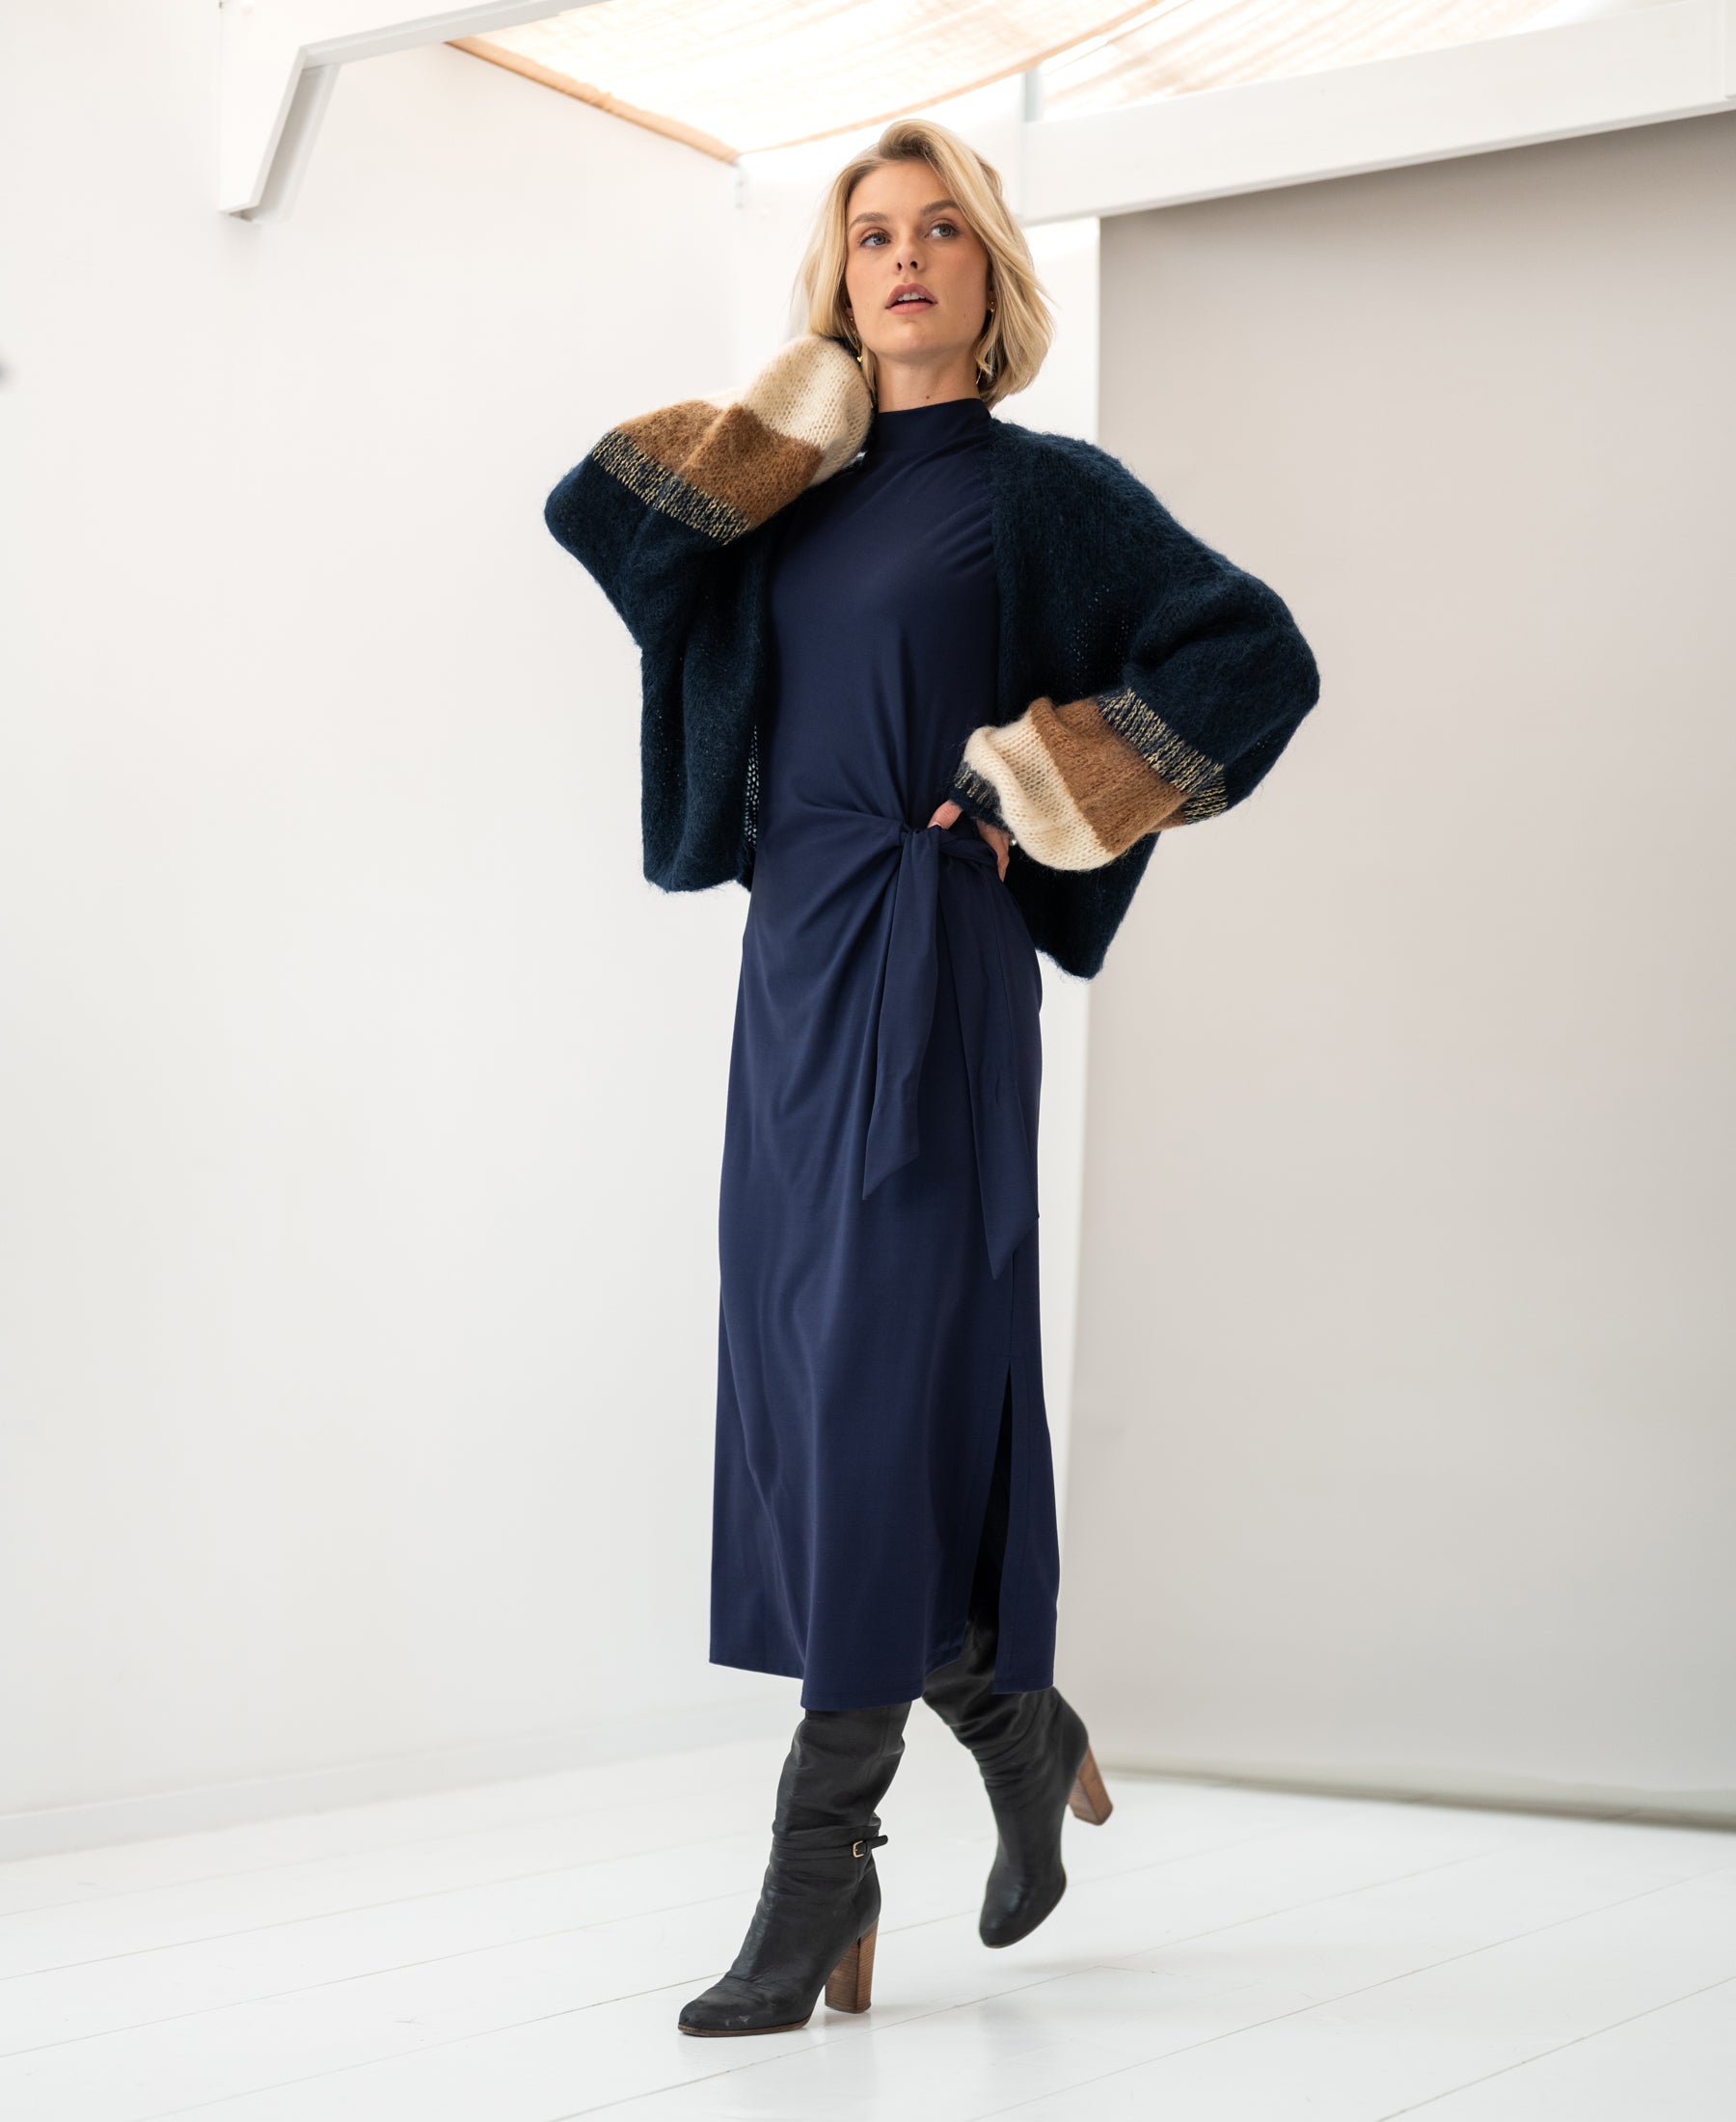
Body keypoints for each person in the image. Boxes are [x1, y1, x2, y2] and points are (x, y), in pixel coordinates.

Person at [542, 117, 1320, 2038]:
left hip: (936, 956)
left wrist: (1047, 788)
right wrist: (791, 405)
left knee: (882, 1371)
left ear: (991, 273)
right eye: (869, 238)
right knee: (817, 1384)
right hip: (793, 971)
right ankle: (1010, 1707)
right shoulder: (783, 496)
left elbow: (1255, 653)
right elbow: (611, 525)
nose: (901, 262)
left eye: (937, 233)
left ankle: (817, 1880)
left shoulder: (1045, 496)